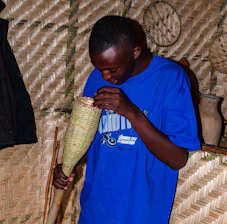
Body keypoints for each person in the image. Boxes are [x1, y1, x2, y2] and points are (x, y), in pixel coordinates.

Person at [53, 15, 201, 224]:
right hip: (96, 210)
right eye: (100, 68)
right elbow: (90, 139)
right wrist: (68, 165)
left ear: (135, 52)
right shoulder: (97, 77)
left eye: (112, 70)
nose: (104, 77)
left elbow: (177, 159)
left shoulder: (170, 78)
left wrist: (131, 112)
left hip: (140, 214)